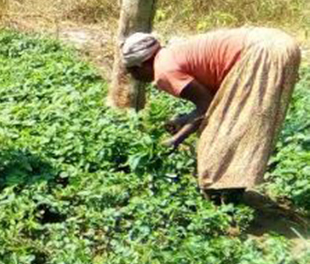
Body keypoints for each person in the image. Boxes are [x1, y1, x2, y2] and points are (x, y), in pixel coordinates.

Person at [121, 28, 302, 201]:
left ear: (142, 64)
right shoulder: (170, 54)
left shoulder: (164, 71)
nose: (133, 76)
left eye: (132, 71)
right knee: (238, 122)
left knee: (226, 129)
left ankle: (223, 191)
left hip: (264, 52)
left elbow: (208, 107)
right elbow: (212, 101)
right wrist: (183, 121)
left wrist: (176, 139)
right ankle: (230, 189)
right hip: (278, 43)